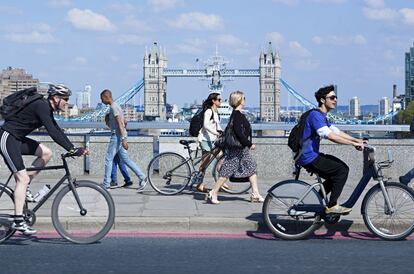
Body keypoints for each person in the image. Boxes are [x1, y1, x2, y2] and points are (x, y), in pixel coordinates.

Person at [0, 84, 88, 235]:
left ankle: (25, 187)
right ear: (55, 98)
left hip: (17, 139)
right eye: (65, 99)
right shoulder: (41, 106)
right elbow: (53, 132)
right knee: (21, 178)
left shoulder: (45, 108)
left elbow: (56, 129)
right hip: (7, 138)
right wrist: (72, 150)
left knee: (46, 153)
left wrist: (72, 148)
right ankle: (18, 221)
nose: (67, 102)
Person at [298, 85, 364, 214]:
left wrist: (357, 140)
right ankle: (332, 205)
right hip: (308, 156)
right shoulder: (315, 116)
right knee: (342, 170)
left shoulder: (322, 116)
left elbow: (337, 132)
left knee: (335, 174)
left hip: (311, 155)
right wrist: (352, 144)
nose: (335, 100)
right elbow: (330, 136)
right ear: (323, 100)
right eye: (332, 97)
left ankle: (318, 202)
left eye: (336, 97)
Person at [206, 91, 264, 204]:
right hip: (238, 149)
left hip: (241, 150)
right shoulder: (237, 115)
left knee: (251, 168)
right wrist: (249, 144)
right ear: (239, 100)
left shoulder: (236, 114)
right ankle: (213, 192)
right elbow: (239, 133)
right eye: (243, 98)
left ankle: (255, 194)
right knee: (226, 171)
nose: (245, 100)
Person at [100, 89, 146, 191]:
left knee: (108, 159)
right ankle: (142, 177)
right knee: (126, 160)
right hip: (120, 135)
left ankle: (106, 183)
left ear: (105, 97)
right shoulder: (117, 106)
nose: (101, 101)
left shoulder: (113, 107)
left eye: (101, 99)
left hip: (117, 136)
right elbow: (125, 122)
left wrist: (123, 139)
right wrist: (109, 121)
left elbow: (121, 124)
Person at [194, 92, 223, 193]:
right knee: (204, 164)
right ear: (213, 101)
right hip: (206, 140)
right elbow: (206, 125)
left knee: (221, 159)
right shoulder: (208, 111)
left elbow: (217, 125)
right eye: (219, 100)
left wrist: (223, 132)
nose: (221, 101)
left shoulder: (215, 112)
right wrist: (216, 133)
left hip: (213, 140)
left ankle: (222, 180)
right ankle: (199, 184)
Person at [104, 114, 133, 187]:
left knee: (113, 161)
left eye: (107, 122)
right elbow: (125, 122)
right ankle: (127, 180)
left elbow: (123, 124)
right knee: (121, 162)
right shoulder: (119, 123)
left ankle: (114, 181)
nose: (107, 124)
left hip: (117, 141)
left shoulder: (116, 124)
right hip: (121, 140)